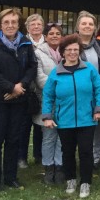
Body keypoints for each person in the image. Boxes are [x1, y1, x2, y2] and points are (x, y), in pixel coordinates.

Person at [41, 34, 100, 198]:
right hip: (65, 120)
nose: (72, 53)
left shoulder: (89, 69)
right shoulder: (56, 73)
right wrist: (47, 116)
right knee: (67, 152)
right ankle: (70, 179)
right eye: (69, 50)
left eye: (75, 49)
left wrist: (99, 109)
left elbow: (99, 88)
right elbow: (48, 96)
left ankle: (85, 182)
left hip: (87, 119)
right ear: (63, 52)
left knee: (86, 151)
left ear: (79, 51)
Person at [0, 8, 38, 192]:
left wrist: (20, 86)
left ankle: (11, 177)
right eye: (6, 22)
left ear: (18, 24)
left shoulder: (25, 42)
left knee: (14, 139)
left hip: (19, 99)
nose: (10, 25)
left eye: (14, 22)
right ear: (0, 25)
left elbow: (32, 67)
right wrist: (10, 87)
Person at [76, 11, 100, 169]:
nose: (87, 26)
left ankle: (95, 157)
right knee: (81, 126)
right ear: (78, 26)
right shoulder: (71, 43)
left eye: (90, 24)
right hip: (77, 91)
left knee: (99, 125)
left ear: (95, 27)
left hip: (97, 91)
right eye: (84, 24)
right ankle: (81, 155)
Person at [34, 22, 65, 185]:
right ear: (45, 36)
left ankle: (60, 167)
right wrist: (61, 84)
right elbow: (39, 78)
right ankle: (48, 167)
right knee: (49, 137)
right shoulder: (38, 53)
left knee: (62, 136)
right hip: (47, 100)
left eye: (58, 33)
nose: (54, 36)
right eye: (51, 33)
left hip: (65, 102)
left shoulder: (67, 52)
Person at [18, 13, 45, 170]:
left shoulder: (48, 43)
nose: (36, 27)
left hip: (43, 91)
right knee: (24, 125)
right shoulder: (22, 43)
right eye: (32, 24)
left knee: (40, 125)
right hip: (26, 90)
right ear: (27, 27)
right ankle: (21, 157)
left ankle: (39, 155)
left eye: (39, 24)